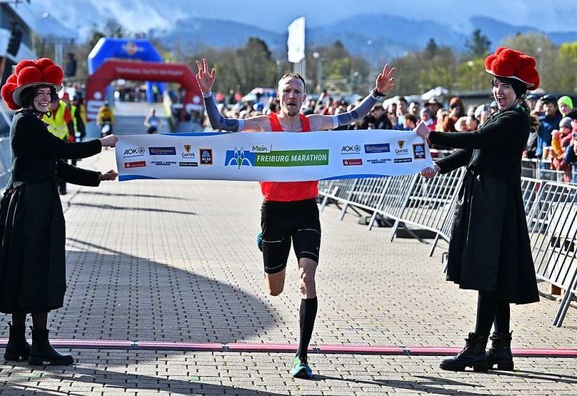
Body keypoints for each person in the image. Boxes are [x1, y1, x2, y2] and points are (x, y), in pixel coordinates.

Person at [195, 58, 395, 379]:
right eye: (287, 90)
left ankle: (301, 356)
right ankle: (265, 244)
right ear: (278, 96)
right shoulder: (263, 123)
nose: (292, 95)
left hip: (305, 210)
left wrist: (377, 93)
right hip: (273, 211)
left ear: (304, 98)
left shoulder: (313, 123)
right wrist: (207, 94)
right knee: (275, 290)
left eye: (297, 91)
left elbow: (353, 117)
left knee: (307, 280)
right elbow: (221, 122)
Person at [0, 58, 118, 366]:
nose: (46, 97)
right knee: (40, 270)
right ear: (28, 96)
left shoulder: (29, 122)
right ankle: (39, 344)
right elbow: (64, 152)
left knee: (24, 270)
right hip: (33, 205)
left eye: (49, 93)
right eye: (39, 92)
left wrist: (96, 177)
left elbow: (56, 166)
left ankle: (16, 343)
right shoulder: (26, 122)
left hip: (31, 202)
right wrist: (101, 143)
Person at [416, 46, 540, 372]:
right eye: (496, 84)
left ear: (519, 90)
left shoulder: (515, 118)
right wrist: (439, 167)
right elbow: (475, 152)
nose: (498, 91)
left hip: (496, 199)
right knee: (495, 275)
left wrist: (432, 135)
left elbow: (474, 142)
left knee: (489, 273)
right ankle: (500, 349)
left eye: (506, 86)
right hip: (489, 196)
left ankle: (476, 349)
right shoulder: (503, 115)